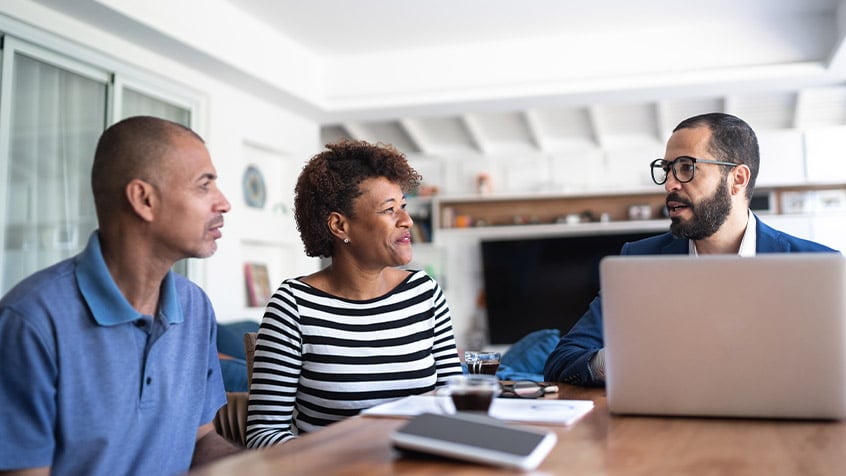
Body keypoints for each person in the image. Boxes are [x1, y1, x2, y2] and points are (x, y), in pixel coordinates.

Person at [0, 116, 241, 474]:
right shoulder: (30, 322)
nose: (223, 204)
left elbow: (200, 441)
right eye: (204, 186)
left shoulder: (195, 308)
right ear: (144, 199)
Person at [544, 112, 839, 386]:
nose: (669, 184)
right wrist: (621, 359)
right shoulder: (639, 261)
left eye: (687, 167)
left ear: (737, 179)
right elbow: (562, 361)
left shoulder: (818, 266)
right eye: (667, 169)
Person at [246, 139, 463, 448]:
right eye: (389, 210)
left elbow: (452, 400)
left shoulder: (424, 293)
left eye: (403, 206)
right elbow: (263, 435)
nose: (407, 221)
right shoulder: (293, 306)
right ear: (340, 225)